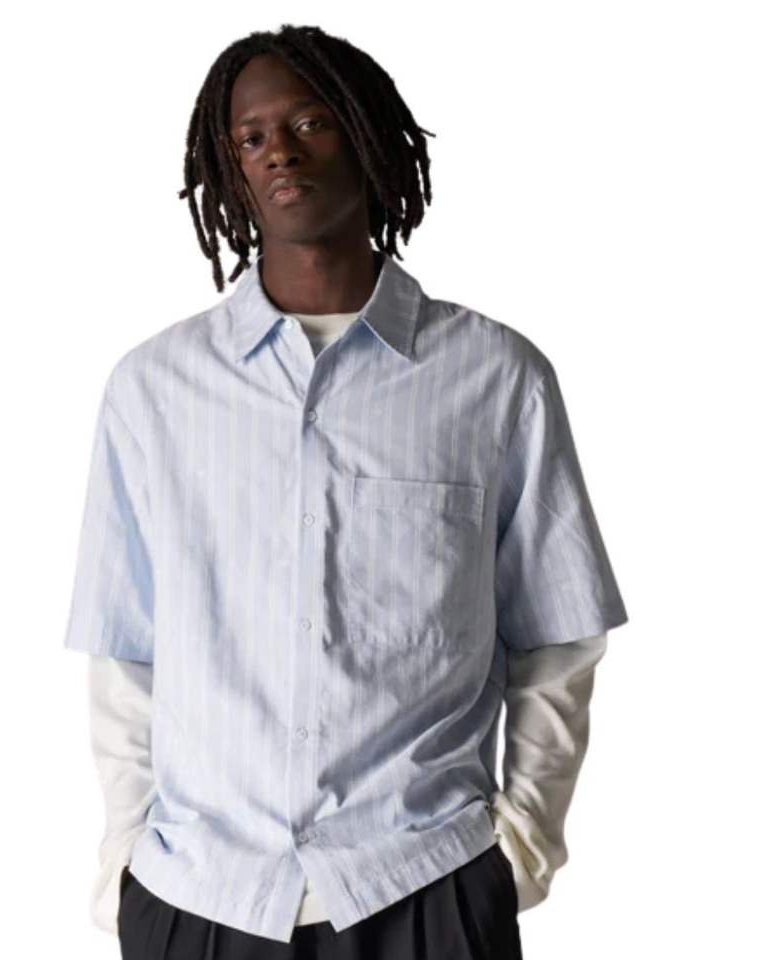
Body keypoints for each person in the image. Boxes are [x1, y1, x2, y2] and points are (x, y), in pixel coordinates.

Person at [63, 22, 628, 960]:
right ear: (229, 166)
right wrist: (128, 860)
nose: (278, 151)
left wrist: (520, 851)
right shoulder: (153, 389)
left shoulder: (496, 378)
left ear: (367, 135)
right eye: (251, 136)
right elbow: (125, 651)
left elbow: (557, 637)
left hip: (424, 886)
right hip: (200, 894)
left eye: (310, 122)